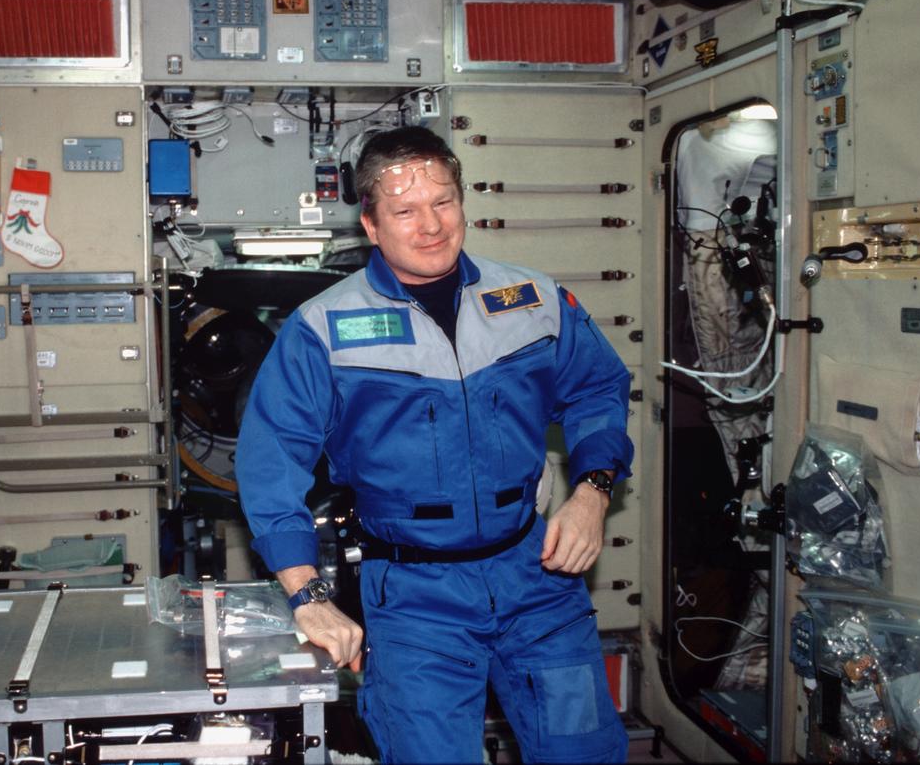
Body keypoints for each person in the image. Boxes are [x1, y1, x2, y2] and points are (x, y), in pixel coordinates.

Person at [236, 126, 632, 763]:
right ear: (371, 224)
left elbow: (597, 389)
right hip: (416, 599)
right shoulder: (322, 329)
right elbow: (269, 464)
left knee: (583, 752)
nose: (431, 226)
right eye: (405, 211)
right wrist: (308, 595)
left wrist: (593, 492)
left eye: (443, 202)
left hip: (538, 578)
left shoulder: (532, 300)